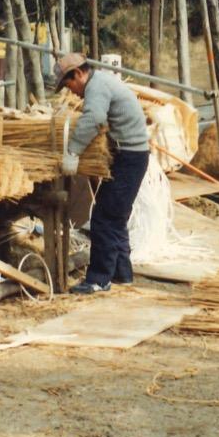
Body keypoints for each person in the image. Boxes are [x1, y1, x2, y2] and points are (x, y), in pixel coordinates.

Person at [53, 53, 150, 294]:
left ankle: (98, 279)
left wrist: (72, 152)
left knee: (103, 218)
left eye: (69, 85)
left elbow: (94, 118)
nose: (72, 92)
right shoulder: (102, 82)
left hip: (130, 158)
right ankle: (121, 274)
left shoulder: (97, 86)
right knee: (115, 216)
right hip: (132, 156)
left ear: (77, 74)